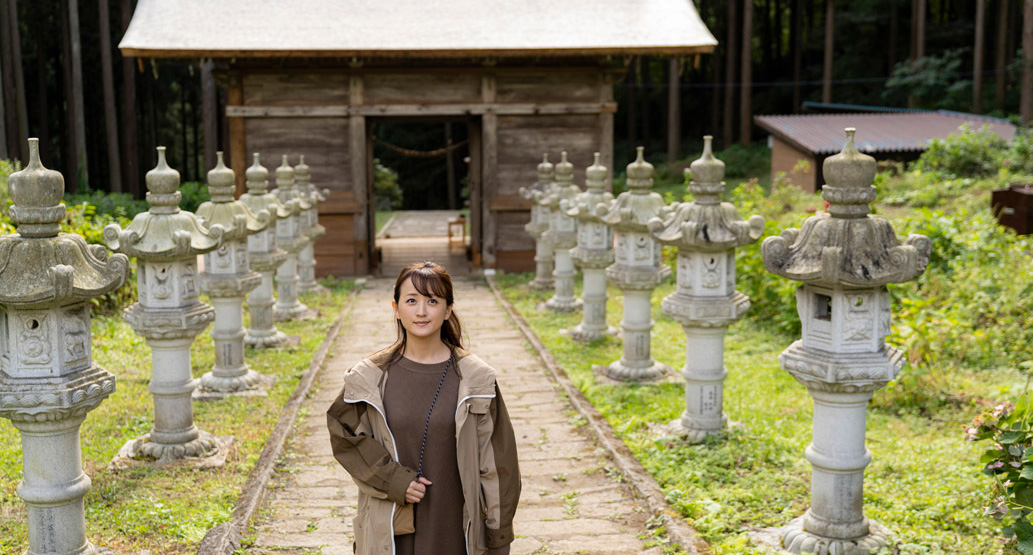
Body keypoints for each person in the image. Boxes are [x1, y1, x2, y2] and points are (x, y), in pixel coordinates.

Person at [327, 262, 520, 555]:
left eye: (432, 301)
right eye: (411, 300)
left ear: (448, 309)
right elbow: (344, 436)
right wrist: (393, 480)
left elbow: (498, 466)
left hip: (456, 529)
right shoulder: (369, 376)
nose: (421, 311)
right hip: (389, 529)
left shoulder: (476, 378)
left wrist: (498, 535)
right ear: (396, 308)